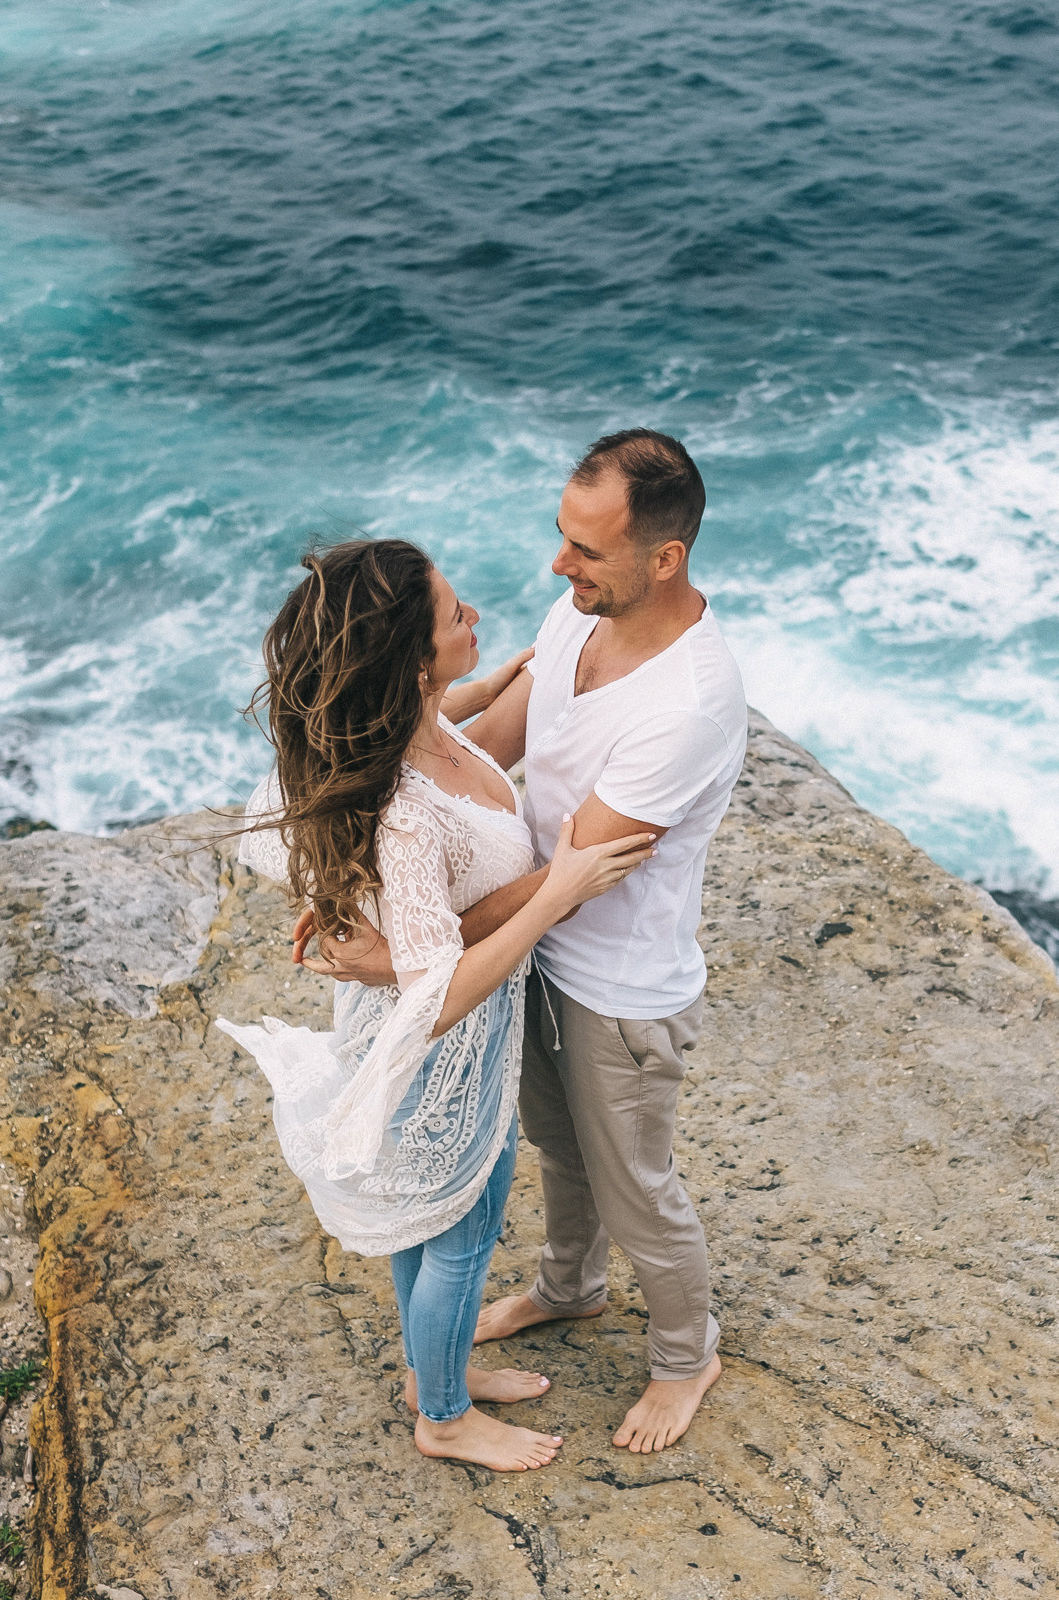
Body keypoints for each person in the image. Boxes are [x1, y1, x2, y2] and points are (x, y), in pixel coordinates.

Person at [298, 429, 746, 1455]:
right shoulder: (576, 612)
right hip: (529, 961)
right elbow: (482, 752)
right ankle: (570, 1286)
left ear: (663, 559)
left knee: (637, 1182)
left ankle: (688, 1353)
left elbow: (573, 880)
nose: (558, 565)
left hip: (614, 980)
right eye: (562, 536)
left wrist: (408, 955)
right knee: (554, 1145)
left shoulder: (687, 704)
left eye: (585, 549)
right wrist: (361, 882)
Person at [216, 537, 656, 1473]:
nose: (476, 619)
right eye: (458, 618)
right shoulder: (406, 817)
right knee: (459, 1223)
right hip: (437, 1044)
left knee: (436, 1210)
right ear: (413, 662)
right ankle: (444, 1416)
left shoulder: (419, 724)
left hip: (458, 1036)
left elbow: (453, 738)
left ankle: (430, 1371)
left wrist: (492, 685)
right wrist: (556, 890)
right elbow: (436, 988)